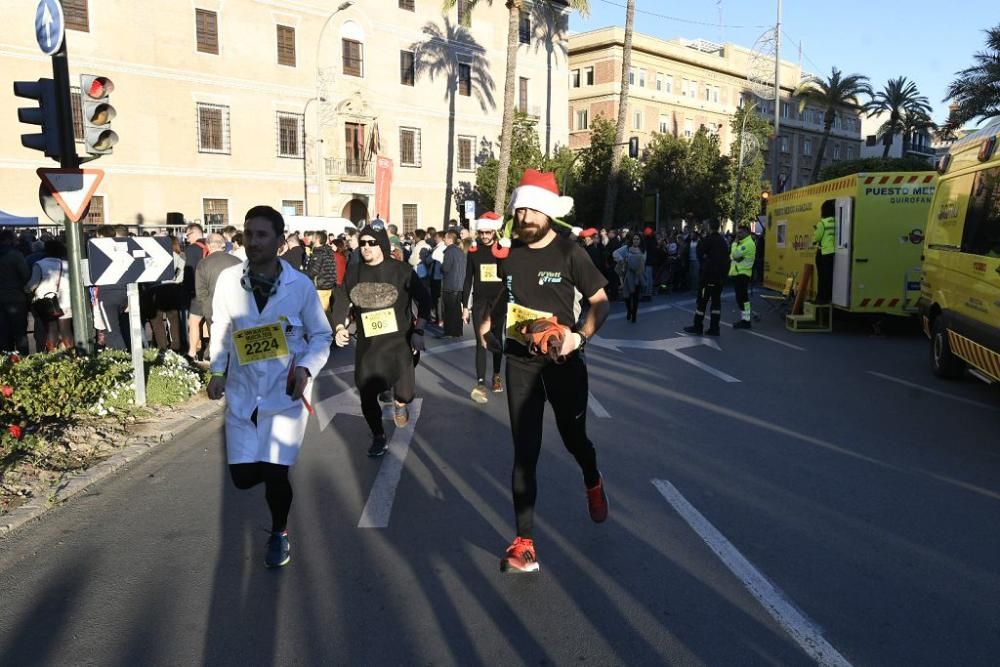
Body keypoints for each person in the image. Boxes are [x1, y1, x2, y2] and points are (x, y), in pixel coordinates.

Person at [478, 169, 610, 575]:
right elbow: (505, 291)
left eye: (535, 209)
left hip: (563, 362)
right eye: (521, 209)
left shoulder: (571, 253)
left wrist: (578, 337)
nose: (526, 217)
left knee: (575, 440)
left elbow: (600, 301)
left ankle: (592, 476)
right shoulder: (511, 252)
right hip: (520, 361)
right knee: (525, 451)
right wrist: (488, 321)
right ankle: (524, 541)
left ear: (550, 213)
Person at [206, 205, 332, 569]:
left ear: (279, 242)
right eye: (248, 234)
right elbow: (222, 328)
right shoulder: (230, 281)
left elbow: (321, 335)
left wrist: (306, 369)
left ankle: (279, 532)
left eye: (262, 235)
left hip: (285, 393)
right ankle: (275, 468)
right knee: (244, 478)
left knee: (276, 473)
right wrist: (217, 371)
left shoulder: (300, 286)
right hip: (245, 392)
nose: (253, 242)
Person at [331, 224, 431, 457]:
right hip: (369, 346)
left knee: (405, 394)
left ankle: (400, 403)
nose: (366, 247)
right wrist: (338, 326)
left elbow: (425, 301)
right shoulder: (354, 271)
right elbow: (341, 300)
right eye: (362, 242)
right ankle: (378, 435)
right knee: (366, 394)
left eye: (372, 243)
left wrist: (419, 331)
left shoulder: (401, 271)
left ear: (382, 245)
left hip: (399, 345)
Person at [463, 212, 505, 403]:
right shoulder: (474, 252)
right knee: (481, 341)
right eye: (482, 233)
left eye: (488, 232)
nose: (485, 236)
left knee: (495, 340)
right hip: (479, 302)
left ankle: (496, 374)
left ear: (494, 232)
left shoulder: (503, 251)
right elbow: (467, 280)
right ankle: (480, 383)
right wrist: (465, 306)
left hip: (498, 303)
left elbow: (508, 277)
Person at [683, 218, 729, 336]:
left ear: (709, 227)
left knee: (702, 302)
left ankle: (697, 326)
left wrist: (704, 261)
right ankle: (715, 328)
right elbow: (726, 260)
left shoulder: (708, 240)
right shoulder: (723, 241)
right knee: (716, 304)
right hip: (719, 279)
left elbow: (699, 252)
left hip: (708, 278)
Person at [195, 233, 242, 344]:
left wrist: (207, 308)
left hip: (213, 309)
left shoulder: (203, 264)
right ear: (223, 245)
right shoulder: (237, 261)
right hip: (236, 308)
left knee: (218, 344)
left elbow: (200, 291)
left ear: (208, 245)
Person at [27, 240, 72, 352]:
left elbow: (32, 284)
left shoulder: (40, 264)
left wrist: (26, 290)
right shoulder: (67, 264)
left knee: (51, 329)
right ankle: (71, 353)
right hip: (66, 301)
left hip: (46, 303)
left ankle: (52, 354)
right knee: (66, 330)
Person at [0, 230, 30, 355]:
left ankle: (6, 361)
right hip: (16, 298)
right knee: (20, 333)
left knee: (3, 333)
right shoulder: (15, 255)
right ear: (9, 239)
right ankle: (23, 361)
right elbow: (26, 275)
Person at [183, 223, 210, 362]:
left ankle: (192, 353)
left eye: (188, 235)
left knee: (193, 322)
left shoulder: (192, 249)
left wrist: (187, 290)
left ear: (194, 233)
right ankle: (208, 351)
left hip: (198, 292)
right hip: (213, 290)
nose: (187, 239)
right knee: (209, 322)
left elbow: (189, 271)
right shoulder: (212, 245)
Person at [613, 233, 646, 323]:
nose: (636, 241)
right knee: (627, 296)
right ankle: (629, 311)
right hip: (628, 275)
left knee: (635, 296)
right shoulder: (626, 248)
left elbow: (643, 262)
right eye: (634, 239)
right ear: (632, 240)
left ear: (640, 240)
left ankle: (634, 315)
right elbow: (615, 253)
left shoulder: (643, 250)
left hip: (638, 275)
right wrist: (622, 260)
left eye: (638, 239)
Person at [439, 229, 466, 338]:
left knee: (449, 310)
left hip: (450, 285)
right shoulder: (460, 251)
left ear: (450, 239)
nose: (444, 239)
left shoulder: (449, 252)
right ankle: (458, 331)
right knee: (456, 310)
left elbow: (446, 268)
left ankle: (449, 332)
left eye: (445, 238)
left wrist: (441, 266)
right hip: (459, 284)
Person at [729, 224, 757, 329]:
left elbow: (735, 255)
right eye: (738, 232)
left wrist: (734, 244)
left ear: (746, 232)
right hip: (739, 274)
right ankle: (745, 320)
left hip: (742, 274)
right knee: (741, 298)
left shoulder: (748, 243)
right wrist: (734, 255)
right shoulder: (743, 243)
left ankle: (746, 321)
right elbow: (733, 256)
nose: (738, 234)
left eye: (740, 232)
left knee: (743, 299)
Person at [814, 199, 836, 304]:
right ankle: (829, 296)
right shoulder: (836, 221)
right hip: (833, 253)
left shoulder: (822, 223)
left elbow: (817, 238)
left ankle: (821, 298)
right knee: (829, 276)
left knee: (822, 276)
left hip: (823, 252)